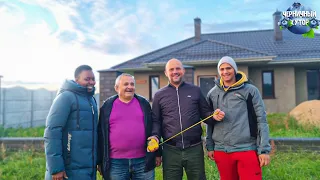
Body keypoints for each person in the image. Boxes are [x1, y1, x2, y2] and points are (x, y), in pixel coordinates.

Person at [148, 58, 225, 180]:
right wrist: (156, 142)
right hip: (170, 150)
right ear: (166, 73)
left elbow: (206, 114)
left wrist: (214, 116)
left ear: (183, 71)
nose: (175, 72)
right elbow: (156, 122)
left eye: (178, 68)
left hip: (194, 149)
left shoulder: (195, 90)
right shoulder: (159, 95)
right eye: (171, 69)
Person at [206, 56, 271, 180]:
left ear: (235, 69)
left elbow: (261, 120)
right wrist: (210, 146)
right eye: (222, 69)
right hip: (221, 150)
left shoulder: (250, 91)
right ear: (219, 72)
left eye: (228, 68)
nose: (225, 72)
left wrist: (263, 150)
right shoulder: (212, 94)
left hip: (246, 149)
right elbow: (209, 122)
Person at [97, 73, 161, 180]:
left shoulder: (144, 103)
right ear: (116, 88)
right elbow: (100, 134)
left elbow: (153, 127)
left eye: (132, 84)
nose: (130, 87)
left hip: (143, 160)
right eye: (126, 84)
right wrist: (100, 161)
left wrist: (157, 153)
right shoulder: (107, 106)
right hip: (115, 163)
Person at [44, 65, 98, 180]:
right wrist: (56, 168)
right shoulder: (65, 97)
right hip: (68, 170)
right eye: (87, 79)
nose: (92, 82)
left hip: (87, 169)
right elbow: (52, 132)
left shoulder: (91, 100)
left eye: (93, 79)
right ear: (76, 80)